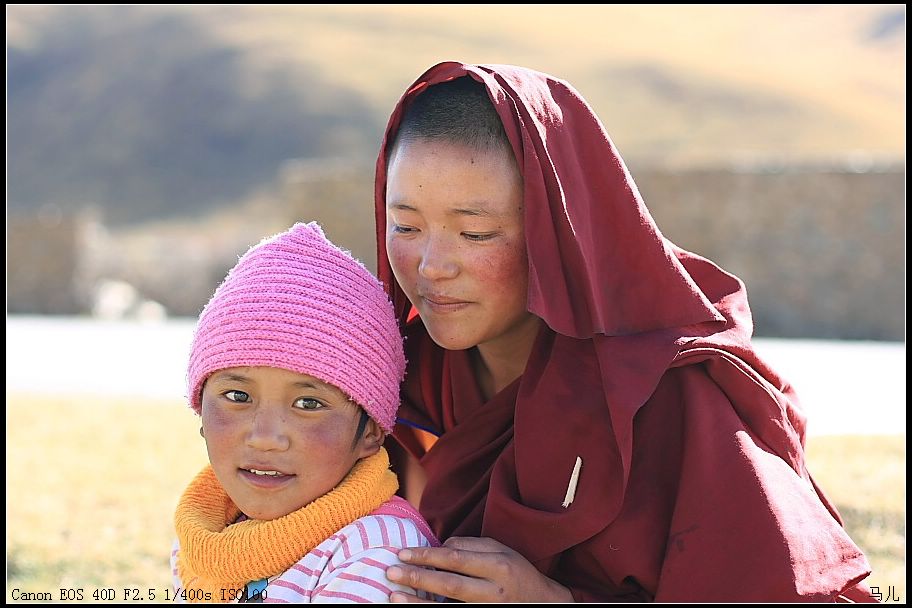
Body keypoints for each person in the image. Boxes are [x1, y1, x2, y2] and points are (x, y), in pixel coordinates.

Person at [372, 62, 878, 602]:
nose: (430, 266)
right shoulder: (397, 374)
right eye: (405, 226)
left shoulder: (666, 391)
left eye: (475, 233)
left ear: (558, 233)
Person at [170, 222, 440, 603]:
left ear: (371, 431)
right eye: (236, 396)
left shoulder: (373, 556)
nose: (265, 436)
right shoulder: (210, 533)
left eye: (308, 404)